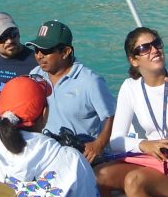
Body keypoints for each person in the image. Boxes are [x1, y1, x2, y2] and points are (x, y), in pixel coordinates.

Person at [94, 27, 168, 197]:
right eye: (145, 48)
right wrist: (144, 145)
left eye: (157, 44)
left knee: (134, 180)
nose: (154, 50)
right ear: (134, 60)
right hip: (153, 160)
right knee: (98, 175)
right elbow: (115, 141)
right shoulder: (130, 87)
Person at [26, 20, 115, 164]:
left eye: (46, 50)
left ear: (66, 52)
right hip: (47, 153)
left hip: (81, 157)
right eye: (36, 50)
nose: (39, 55)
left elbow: (110, 116)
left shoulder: (90, 81)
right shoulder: (35, 75)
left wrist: (99, 144)